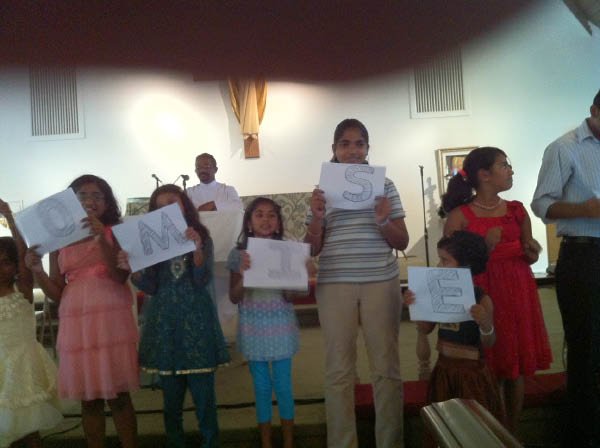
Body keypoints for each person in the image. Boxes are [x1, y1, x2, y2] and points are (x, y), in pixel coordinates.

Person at [305, 118, 409, 448]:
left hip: (381, 280)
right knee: (339, 369)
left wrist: (383, 220)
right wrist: (317, 217)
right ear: (334, 149)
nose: (352, 150)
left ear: (367, 149)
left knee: (386, 367)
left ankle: (390, 442)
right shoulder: (322, 190)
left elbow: (402, 241)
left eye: (359, 144)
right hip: (335, 282)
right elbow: (311, 249)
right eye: (345, 144)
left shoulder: (385, 185)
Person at [441, 146, 553, 433]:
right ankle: (490, 433)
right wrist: (487, 247)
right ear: (484, 175)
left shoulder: (516, 210)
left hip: (517, 290)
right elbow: (451, 268)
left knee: (515, 366)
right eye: (504, 165)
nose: (510, 170)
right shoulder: (460, 216)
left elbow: (529, 253)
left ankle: (512, 432)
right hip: (483, 293)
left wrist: (532, 252)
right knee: (489, 364)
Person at [24, 174, 139, 448]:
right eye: (82, 196)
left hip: (111, 318)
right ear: (70, 203)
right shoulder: (58, 240)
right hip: (76, 321)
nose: (90, 201)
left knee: (119, 396)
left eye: (97, 195)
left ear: (107, 202)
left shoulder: (115, 231)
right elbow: (57, 292)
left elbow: (119, 276)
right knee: (89, 398)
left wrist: (102, 237)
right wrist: (37, 270)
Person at [118, 184, 230, 448]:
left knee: (204, 396)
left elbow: (201, 281)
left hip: (196, 320)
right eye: (159, 206)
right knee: (171, 399)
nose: (166, 208)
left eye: (172, 202)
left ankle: (211, 442)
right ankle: (175, 442)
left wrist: (197, 250)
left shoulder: (201, 236)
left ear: (184, 204)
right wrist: (134, 270)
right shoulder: (150, 242)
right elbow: (151, 287)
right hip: (165, 322)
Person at [531, 89, 600, 448]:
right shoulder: (564, 148)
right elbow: (541, 204)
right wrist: (583, 210)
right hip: (585, 256)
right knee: (587, 349)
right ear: (594, 110)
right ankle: (586, 435)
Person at [403, 231, 503, 429]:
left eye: (445, 260)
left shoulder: (481, 300)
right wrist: (415, 305)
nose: (439, 265)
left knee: (473, 427)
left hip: (471, 374)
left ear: (466, 265)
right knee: (447, 426)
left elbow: (489, 342)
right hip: (444, 369)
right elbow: (425, 328)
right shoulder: (437, 293)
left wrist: (485, 323)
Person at [227, 197, 306, 448]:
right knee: (261, 388)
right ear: (249, 223)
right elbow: (234, 296)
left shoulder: (287, 251)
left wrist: (297, 274)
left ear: (278, 222)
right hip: (253, 329)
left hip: (281, 327)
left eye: (272, 215)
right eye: (259, 214)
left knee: (283, 387)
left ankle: (289, 442)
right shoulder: (238, 254)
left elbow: (291, 296)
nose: (266, 219)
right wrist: (244, 275)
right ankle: (266, 442)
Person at [0, 199, 63, 448]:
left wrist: (10, 219)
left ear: (16, 265)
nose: (0, 268)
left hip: (23, 365)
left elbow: (22, 250)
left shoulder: (22, 289)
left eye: (6, 262)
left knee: (29, 426)